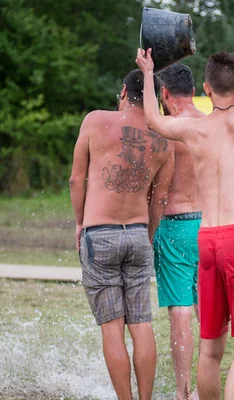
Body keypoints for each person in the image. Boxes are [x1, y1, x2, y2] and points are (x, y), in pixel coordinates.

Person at [136, 6, 234, 399]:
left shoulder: (194, 128)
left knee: (211, 348)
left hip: (208, 239)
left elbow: (154, 120)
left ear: (206, 89)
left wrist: (150, 74)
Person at [69, 69, 175, 400]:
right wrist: (149, 233)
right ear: (156, 97)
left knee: (112, 327)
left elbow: (76, 179)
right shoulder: (164, 138)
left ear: (123, 91)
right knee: (141, 324)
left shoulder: (96, 120)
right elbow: (159, 198)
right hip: (138, 234)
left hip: (99, 231)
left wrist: (79, 222)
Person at [152, 63, 205, 400]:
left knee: (181, 313)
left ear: (165, 94)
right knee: (209, 311)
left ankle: (183, 393)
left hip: (175, 226)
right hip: (210, 224)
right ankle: (205, 387)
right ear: (196, 92)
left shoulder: (166, 128)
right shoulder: (212, 124)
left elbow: (156, 189)